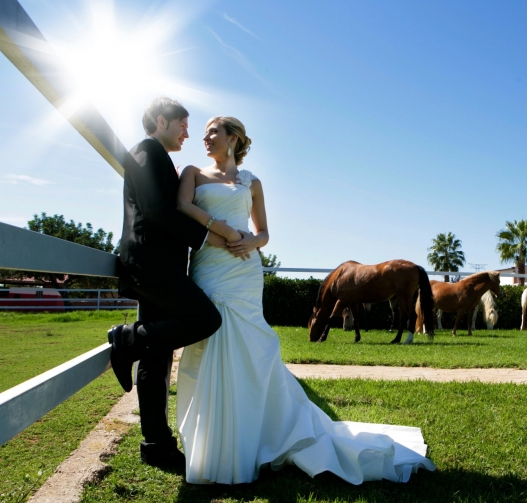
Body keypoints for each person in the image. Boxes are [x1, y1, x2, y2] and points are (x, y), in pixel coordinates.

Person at [174, 116, 436, 484]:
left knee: (250, 347)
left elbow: (264, 233)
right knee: (209, 341)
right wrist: (224, 231)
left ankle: (251, 434)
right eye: (203, 133)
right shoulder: (192, 173)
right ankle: (212, 441)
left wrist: (251, 241)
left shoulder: (252, 182)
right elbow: (183, 207)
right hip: (211, 266)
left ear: (233, 139)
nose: (205, 138)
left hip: (243, 270)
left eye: (212, 132)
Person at [109, 97, 242, 470]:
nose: (188, 132)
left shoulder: (160, 157)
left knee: (157, 357)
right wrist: (209, 238)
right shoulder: (146, 151)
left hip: (159, 267)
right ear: (161, 121)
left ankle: (156, 444)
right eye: (183, 124)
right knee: (205, 320)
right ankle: (127, 339)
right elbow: (156, 210)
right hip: (151, 267)